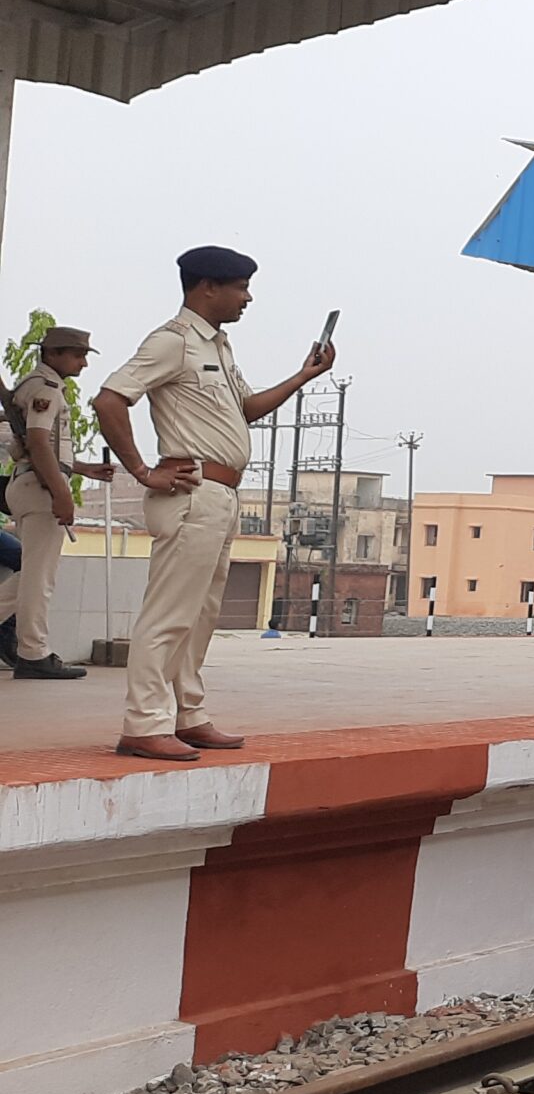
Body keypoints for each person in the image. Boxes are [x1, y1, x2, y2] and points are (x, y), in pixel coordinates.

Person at [93, 247, 337, 761]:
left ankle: (186, 714)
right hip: (189, 491)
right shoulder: (173, 341)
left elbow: (245, 409)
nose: (247, 298)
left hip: (220, 495)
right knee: (169, 614)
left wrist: (303, 376)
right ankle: (144, 723)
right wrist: (142, 471)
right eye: (240, 287)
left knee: (200, 617)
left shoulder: (219, 347)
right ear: (208, 287)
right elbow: (110, 399)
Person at [0, 327, 115, 677]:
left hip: (29, 482)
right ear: (52, 355)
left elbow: (41, 446)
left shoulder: (33, 385)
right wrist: (62, 494)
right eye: (77, 355)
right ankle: (33, 654)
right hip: (40, 488)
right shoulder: (45, 389)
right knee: (39, 578)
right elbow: (37, 443)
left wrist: (83, 469)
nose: (83, 363)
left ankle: (32, 652)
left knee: (33, 574)